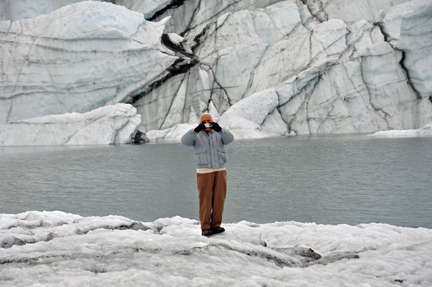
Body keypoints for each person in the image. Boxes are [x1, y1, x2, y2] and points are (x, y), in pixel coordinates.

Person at [181, 113, 234, 236]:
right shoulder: (195, 134)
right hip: (204, 171)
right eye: (204, 121)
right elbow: (185, 141)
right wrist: (195, 131)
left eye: (209, 120)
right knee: (205, 199)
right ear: (200, 123)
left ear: (213, 121)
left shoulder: (219, 133)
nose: (206, 123)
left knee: (219, 198)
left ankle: (216, 225)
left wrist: (219, 129)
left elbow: (230, 139)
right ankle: (205, 227)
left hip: (220, 169)